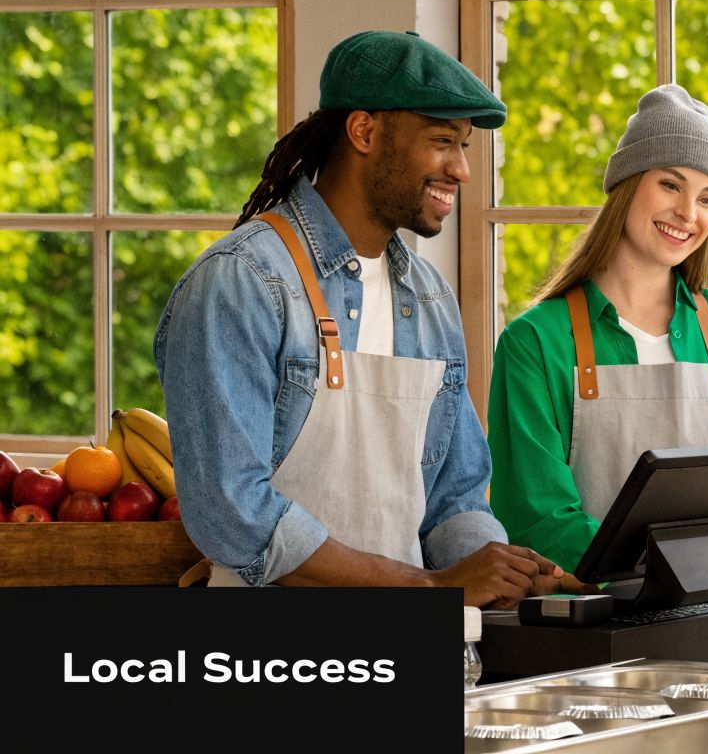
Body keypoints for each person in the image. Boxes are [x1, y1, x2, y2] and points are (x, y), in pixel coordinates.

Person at [154, 30, 569, 608]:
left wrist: (504, 576)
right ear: (365, 132)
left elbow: (454, 498)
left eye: (464, 146)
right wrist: (427, 586)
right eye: (443, 141)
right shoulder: (241, 280)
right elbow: (231, 510)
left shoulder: (428, 298)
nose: (462, 170)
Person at [487, 84, 708, 574]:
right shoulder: (535, 342)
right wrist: (663, 572)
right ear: (626, 185)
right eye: (670, 185)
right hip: (596, 627)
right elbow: (536, 516)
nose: (688, 214)